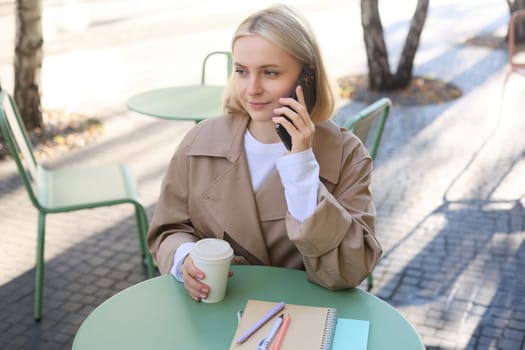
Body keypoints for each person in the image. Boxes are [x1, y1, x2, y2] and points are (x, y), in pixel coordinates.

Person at [147, 4, 382, 302]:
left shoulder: (346, 155)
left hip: (301, 317)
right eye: (241, 71)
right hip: (214, 309)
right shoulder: (200, 141)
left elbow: (352, 268)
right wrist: (185, 259)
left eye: (270, 73)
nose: (251, 89)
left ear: (306, 79)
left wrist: (301, 167)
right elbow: (168, 228)